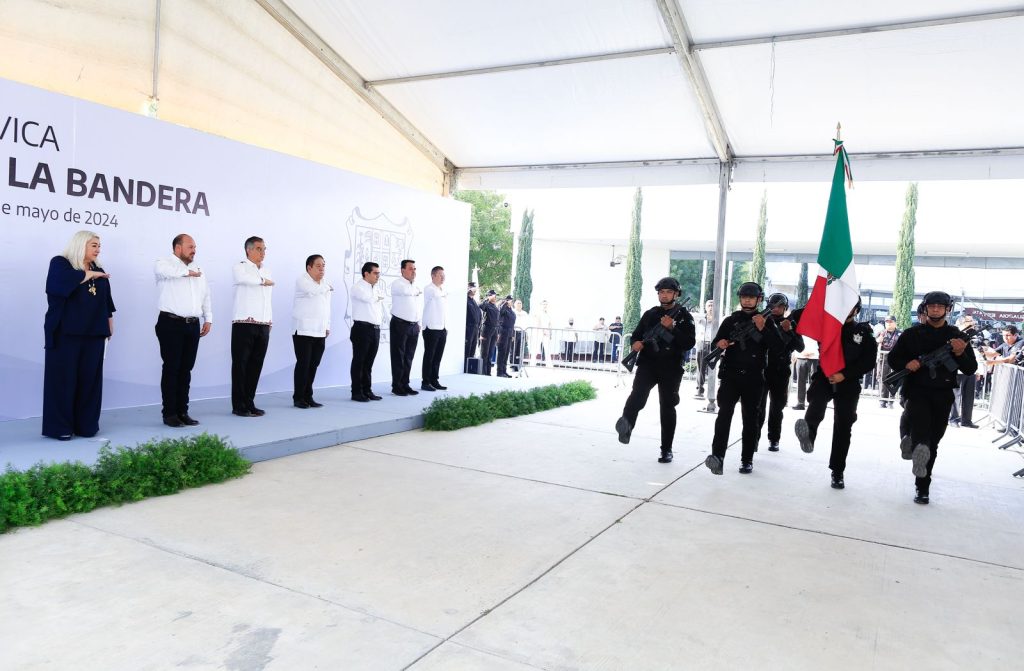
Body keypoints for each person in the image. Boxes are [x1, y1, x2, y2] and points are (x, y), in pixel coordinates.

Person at [887, 291, 977, 504]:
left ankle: (913, 448)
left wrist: (959, 353)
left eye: (940, 306)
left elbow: (970, 368)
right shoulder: (911, 334)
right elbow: (893, 359)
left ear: (947, 309)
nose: (936, 309)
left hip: (943, 394)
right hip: (916, 391)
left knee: (933, 442)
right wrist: (907, 364)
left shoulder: (956, 336)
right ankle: (922, 486)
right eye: (932, 306)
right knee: (922, 438)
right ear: (925, 308)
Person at [793, 299, 877, 489]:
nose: (845, 308)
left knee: (843, 425)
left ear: (856, 310)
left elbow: (868, 361)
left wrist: (844, 375)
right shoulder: (825, 325)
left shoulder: (863, 332)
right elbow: (799, 316)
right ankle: (808, 436)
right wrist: (823, 301)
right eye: (842, 302)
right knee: (817, 402)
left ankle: (837, 472)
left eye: (850, 305)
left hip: (848, 381)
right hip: (824, 376)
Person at [42, 231, 115, 440]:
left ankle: (86, 425)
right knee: (63, 381)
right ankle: (61, 428)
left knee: (90, 381)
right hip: (65, 333)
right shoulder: (61, 263)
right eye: (94, 245)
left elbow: (106, 301)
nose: (98, 249)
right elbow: (57, 286)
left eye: (99, 245)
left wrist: (109, 323)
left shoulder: (98, 269)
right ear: (81, 244)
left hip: (94, 333)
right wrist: (89, 275)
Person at [614, 277, 696, 463]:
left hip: (671, 368)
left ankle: (666, 449)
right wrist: (635, 343)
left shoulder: (684, 317)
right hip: (648, 364)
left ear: (676, 294)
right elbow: (636, 335)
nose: (664, 295)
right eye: (662, 292)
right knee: (637, 395)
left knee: (667, 407)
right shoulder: (650, 314)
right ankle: (626, 424)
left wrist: (673, 328)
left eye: (669, 292)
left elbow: (688, 343)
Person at [704, 282, 780, 475]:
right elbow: (717, 342)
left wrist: (763, 329)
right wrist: (720, 343)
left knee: (750, 419)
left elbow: (778, 347)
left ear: (758, 300)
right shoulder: (731, 320)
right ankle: (717, 457)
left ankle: (747, 460)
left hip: (754, 377)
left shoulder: (766, 321)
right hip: (730, 375)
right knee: (724, 416)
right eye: (744, 297)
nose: (747, 300)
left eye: (751, 297)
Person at [154, 233, 212, 428]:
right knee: (172, 368)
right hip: (171, 323)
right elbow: (165, 271)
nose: (194, 250)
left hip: (192, 324)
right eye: (190, 246)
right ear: (177, 248)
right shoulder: (164, 263)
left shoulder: (198, 268)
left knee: (186, 369)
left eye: (195, 247)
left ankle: (182, 411)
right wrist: (187, 272)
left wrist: (208, 318)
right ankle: (169, 413)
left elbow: (205, 294)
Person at [231, 236, 273, 417]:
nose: (262, 252)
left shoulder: (266, 270)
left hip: (263, 324)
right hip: (244, 323)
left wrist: (269, 320)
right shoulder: (240, 267)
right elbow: (243, 279)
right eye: (258, 249)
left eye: (264, 249)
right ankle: (238, 405)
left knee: (256, 365)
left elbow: (267, 298)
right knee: (240, 365)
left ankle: (249, 402)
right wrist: (262, 281)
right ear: (248, 250)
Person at [757, 293, 803, 452]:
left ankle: (774, 439)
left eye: (780, 306)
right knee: (758, 408)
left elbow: (800, 347)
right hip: (762, 369)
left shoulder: (790, 323)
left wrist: (789, 330)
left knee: (777, 408)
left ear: (785, 308)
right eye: (773, 306)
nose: (776, 309)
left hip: (781, 370)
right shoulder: (763, 321)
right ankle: (754, 439)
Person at [292, 254, 332, 408]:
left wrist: (327, 325)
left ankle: (308, 396)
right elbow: (313, 290)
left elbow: (327, 306)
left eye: (323, 266)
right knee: (304, 364)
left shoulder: (325, 284)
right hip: (303, 330)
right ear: (309, 268)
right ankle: (298, 397)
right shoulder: (302, 280)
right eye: (318, 266)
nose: (322, 269)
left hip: (320, 330)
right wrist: (327, 287)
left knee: (314, 364)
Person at [350, 262, 385, 402]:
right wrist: (378, 297)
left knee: (369, 363)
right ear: (366, 273)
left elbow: (378, 302)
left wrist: (378, 297)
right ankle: (356, 392)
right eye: (375, 273)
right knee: (359, 361)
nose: (378, 276)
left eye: (378, 273)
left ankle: (367, 390)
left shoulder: (376, 288)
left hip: (375, 329)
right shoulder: (358, 287)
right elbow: (368, 299)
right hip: (362, 329)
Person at [390, 259, 422, 396]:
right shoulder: (397, 284)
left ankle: (405, 384)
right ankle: (397, 386)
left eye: (414, 269)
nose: (413, 271)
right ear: (402, 270)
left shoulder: (414, 285)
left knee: (409, 356)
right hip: (400, 324)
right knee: (399, 356)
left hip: (414, 325)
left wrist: (418, 323)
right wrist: (415, 290)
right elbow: (406, 292)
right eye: (410, 268)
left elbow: (416, 305)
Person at [949, 314, 983, 428]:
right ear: (961, 322)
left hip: (971, 369)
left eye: (972, 321)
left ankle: (967, 420)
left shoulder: (976, 335)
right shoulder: (955, 335)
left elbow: (977, 353)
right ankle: (954, 418)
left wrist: (979, 370)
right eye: (969, 321)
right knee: (955, 396)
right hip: (957, 370)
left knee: (969, 396)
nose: (972, 323)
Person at [421, 266, 448, 391]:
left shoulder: (442, 290)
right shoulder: (429, 289)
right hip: (431, 327)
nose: (443, 278)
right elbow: (437, 295)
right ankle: (425, 382)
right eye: (440, 275)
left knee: (438, 356)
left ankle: (434, 380)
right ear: (433, 276)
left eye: (444, 275)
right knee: (429, 356)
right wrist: (444, 293)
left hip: (442, 327)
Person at [695, 300, 719, 411]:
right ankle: (699, 389)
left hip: (712, 344)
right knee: (701, 367)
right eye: (709, 305)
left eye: (712, 305)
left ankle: (713, 390)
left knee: (713, 368)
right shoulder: (701, 320)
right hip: (702, 343)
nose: (711, 307)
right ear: (706, 307)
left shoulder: (718, 319)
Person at [876, 315, 901, 408]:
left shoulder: (900, 334)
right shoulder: (881, 333)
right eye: (887, 322)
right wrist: (878, 340)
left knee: (893, 379)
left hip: (895, 360)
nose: (889, 324)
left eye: (891, 322)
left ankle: (891, 400)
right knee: (883, 379)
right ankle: (883, 400)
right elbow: (874, 343)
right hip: (883, 359)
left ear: (895, 323)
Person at [496, 295, 517, 377]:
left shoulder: (511, 310)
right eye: (509, 300)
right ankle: (499, 372)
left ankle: (504, 371)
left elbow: (512, 324)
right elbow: (500, 312)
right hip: (503, 332)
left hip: (509, 333)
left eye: (511, 300)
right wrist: (505, 303)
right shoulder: (503, 308)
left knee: (506, 353)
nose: (511, 302)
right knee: (502, 352)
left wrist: (513, 334)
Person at [480, 290, 500, 375]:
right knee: (485, 352)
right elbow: (481, 306)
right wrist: (488, 299)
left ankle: (488, 372)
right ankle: (483, 372)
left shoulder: (495, 306)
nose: (495, 297)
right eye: (494, 296)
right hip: (487, 330)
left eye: (495, 296)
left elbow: (497, 320)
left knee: (490, 352)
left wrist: (497, 332)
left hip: (494, 330)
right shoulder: (487, 304)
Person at [465, 282, 481, 362]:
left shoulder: (474, 301)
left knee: (473, 348)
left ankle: (469, 366)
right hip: (469, 328)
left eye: (475, 289)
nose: (474, 290)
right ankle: (465, 366)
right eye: (472, 288)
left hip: (475, 328)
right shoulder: (465, 300)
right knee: (467, 348)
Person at [512, 299, 530, 369]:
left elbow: (527, 324)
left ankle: (518, 365)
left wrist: (527, 334)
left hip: (522, 332)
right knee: (513, 349)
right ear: (514, 304)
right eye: (518, 303)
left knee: (520, 350)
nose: (519, 304)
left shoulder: (524, 313)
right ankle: (513, 365)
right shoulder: (512, 311)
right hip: (514, 332)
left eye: (520, 303)